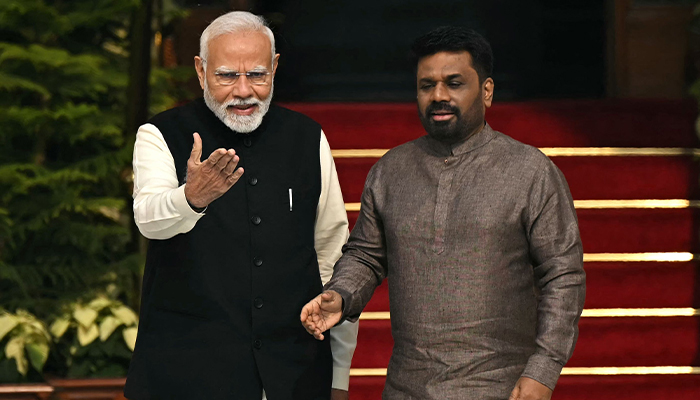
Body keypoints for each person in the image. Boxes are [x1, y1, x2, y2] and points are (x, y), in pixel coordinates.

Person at [301, 26, 585, 400]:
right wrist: (341, 294)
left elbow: (563, 276)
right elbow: (366, 256)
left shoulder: (530, 171)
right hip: (407, 387)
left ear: (486, 91)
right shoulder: (390, 170)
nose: (438, 96)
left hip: (501, 388)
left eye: (454, 83)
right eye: (426, 85)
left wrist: (543, 371)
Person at [125, 11, 357, 400]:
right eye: (227, 76)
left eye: (258, 75)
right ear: (201, 71)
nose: (244, 90)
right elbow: (148, 219)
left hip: (294, 375)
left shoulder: (307, 138)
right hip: (186, 376)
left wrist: (339, 375)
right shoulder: (160, 133)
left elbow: (333, 257)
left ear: (276, 68)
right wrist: (190, 198)